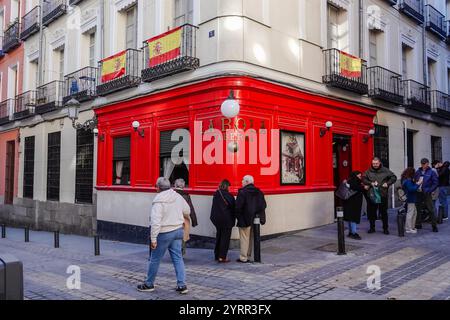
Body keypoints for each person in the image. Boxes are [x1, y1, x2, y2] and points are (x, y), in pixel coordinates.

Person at [137, 177, 191, 294]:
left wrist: (153, 239)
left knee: (154, 259)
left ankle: (149, 284)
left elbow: (155, 222)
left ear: (158, 187)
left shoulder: (158, 201)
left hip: (164, 233)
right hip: (177, 231)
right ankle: (182, 285)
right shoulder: (177, 196)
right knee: (178, 258)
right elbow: (187, 210)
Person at [235, 175, 267, 263]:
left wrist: (239, 217)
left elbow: (238, 207)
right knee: (251, 238)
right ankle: (248, 255)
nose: (241, 182)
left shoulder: (242, 192)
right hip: (255, 220)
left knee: (244, 238)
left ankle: (243, 257)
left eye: (242, 180)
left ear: (247, 182)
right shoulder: (259, 192)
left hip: (244, 219)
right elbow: (263, 205)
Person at [363, 157, 397, 235]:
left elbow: (394, 177)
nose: (375, 165)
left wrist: (387, 183)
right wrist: (370, 183)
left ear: (379, 163)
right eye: (373, 164)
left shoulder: (385, 170)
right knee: (372, 212)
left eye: (376, 163)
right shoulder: (368, 171)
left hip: (382, 194)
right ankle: (372, 227)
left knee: (384, 212)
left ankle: (385, 228)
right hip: (372, 195)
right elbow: (364, 179)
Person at [210, 179, 236, 263]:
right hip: (227, 221)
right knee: (225, 239)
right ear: (227, 186)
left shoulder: (216, 194)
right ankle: (222, 257)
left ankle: (217, 255)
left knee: (219, 236)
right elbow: (233, 208)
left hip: (217, 220)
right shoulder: (229, 196)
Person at [173, 179, 198, 255]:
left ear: (175, 185)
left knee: (174, 235)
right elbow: (191, 209)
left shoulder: (171, 194)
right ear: (183, 186)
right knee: (183, 237)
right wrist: (194, 221)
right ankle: (181, 252)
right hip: (184, 220)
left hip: (173, 219)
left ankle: (174, 251)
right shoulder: (186, 195)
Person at [414, 158, 439, 232]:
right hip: (419, 192)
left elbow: (435, 183)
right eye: (422, 163)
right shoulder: (418, 171)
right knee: (418, 208)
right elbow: (415, 180)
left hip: (427, 193)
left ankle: (434, 226)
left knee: (431, 209)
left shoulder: (431, 172)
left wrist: (430, 190)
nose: (423, 165)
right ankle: (418, 223)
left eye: (424, 163)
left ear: (428, 164)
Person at [343, 171, 367, 240]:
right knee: (353, 218)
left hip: (350, 203)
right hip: (353, 203)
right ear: (355, 176)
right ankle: (354, 233)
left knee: (350, 218)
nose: (360, 177)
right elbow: (358, 188)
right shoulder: (354, 183)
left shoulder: (349, 182)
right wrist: (364, 187)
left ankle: (351, 232)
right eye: (359, 176)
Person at [401, 168, 423, 234]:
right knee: (410, 213)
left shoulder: (407, 180)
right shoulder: (407, 181)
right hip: (410, 198)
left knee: (414, 212)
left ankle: (412, 227)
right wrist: (418, 183)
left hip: (411, 198)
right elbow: (411, 189)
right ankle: (408, 228)